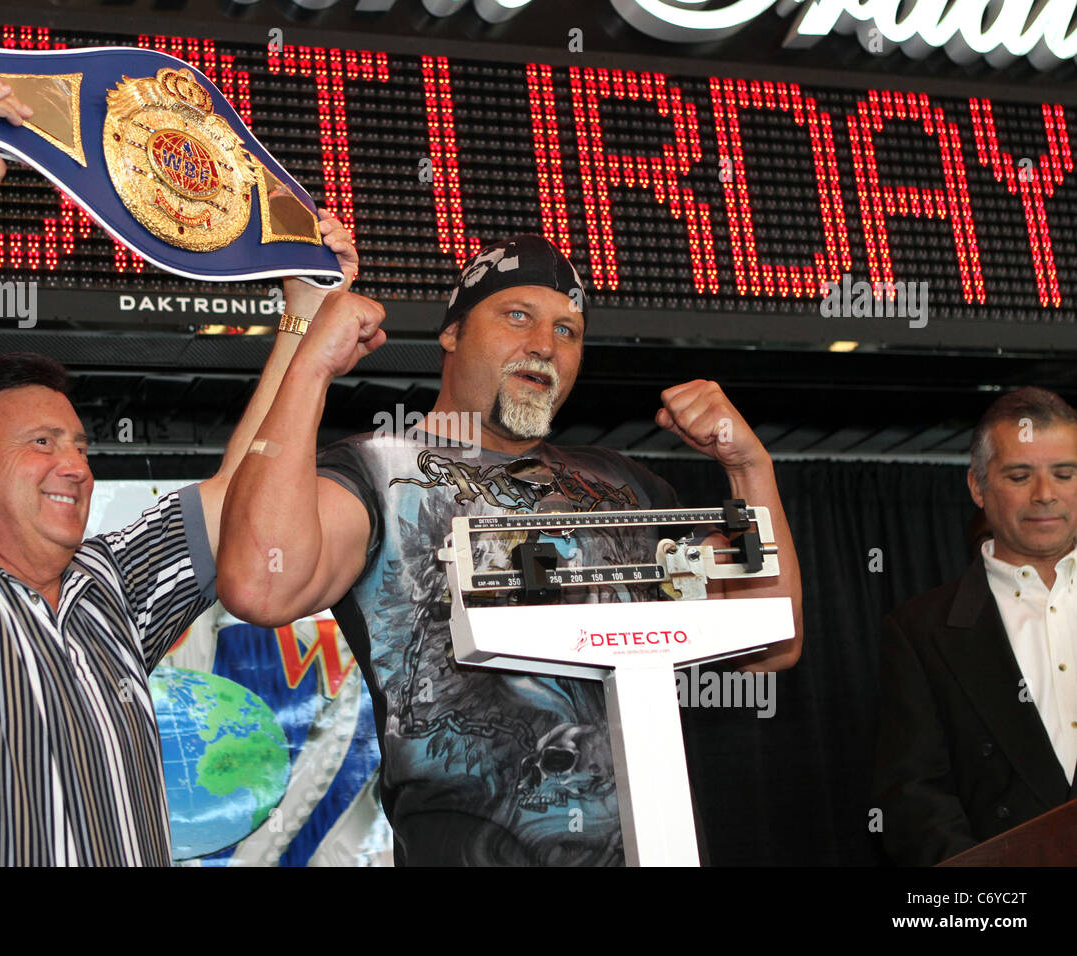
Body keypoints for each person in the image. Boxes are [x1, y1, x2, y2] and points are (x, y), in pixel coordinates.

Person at [0, 77, 357, 865]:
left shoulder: (106, 587)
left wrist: (301, 313)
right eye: (41, 443)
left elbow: (237, 497)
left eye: (81, 446)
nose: (74, 466)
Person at [217, 235, 803, 865]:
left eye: (567, 331)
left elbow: (772, 641)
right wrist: (310, 366)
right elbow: (260, 585)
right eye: (517, 316)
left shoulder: (623, 483)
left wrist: (750, 468)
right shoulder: (374, 469)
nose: (545, 345)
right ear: (452, 332)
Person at [874, 387, 1077, 865]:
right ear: (977, 487)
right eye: (1019, 475)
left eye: (1064, 474)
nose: (1045, 494)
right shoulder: (921, 631)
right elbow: (914, 799)